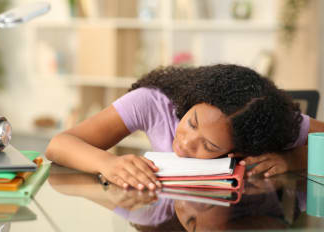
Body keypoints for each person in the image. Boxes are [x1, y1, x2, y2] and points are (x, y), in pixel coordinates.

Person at [46, 64, 324, 191]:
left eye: (210, 146)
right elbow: (58, 145)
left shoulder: (259, 121)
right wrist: (106, 162)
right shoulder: (151, 102)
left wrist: (292, 158)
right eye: (191, 123)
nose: (187, 143)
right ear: (192, 101)